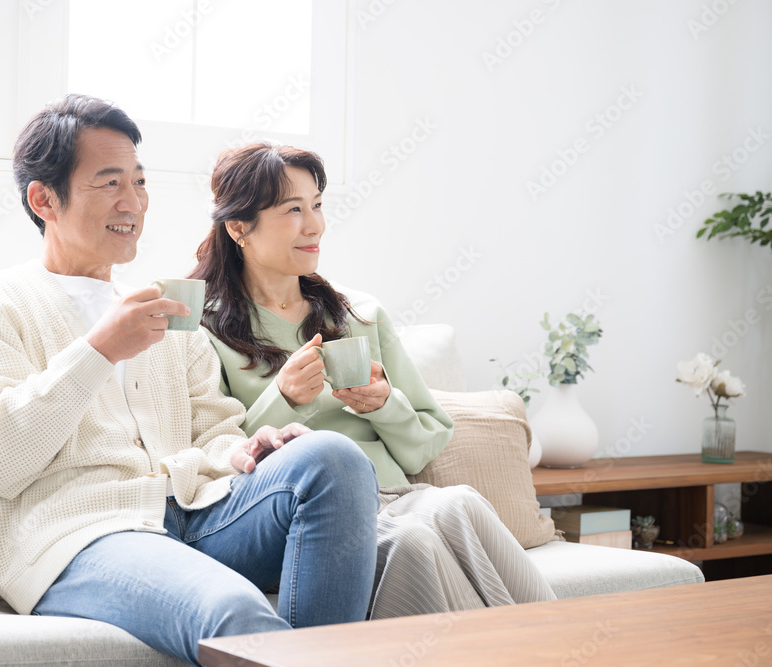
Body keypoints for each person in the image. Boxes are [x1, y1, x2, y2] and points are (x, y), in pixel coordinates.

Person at [0, 96, 380, 666]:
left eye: (140, 182)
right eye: (109, 183)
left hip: (194, 509)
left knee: (334, 458)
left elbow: (214, 432)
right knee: (234, 614)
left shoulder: (168, 313)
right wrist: (99, 349)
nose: (134, 202)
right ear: (44, 199)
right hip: (78, 534)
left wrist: (245, 451)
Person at [189, 142, 557, 619]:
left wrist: (384, 404)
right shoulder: (203, 329)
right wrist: (283, 398)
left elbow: (424, 445)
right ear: (239, 226)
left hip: (397, 495)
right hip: (309, 517)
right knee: (413, 539)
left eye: (317, 205)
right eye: (293, 210)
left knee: (460, 502)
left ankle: (550, 639)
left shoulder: (358, 314)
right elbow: (214, 453)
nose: (315, 225)